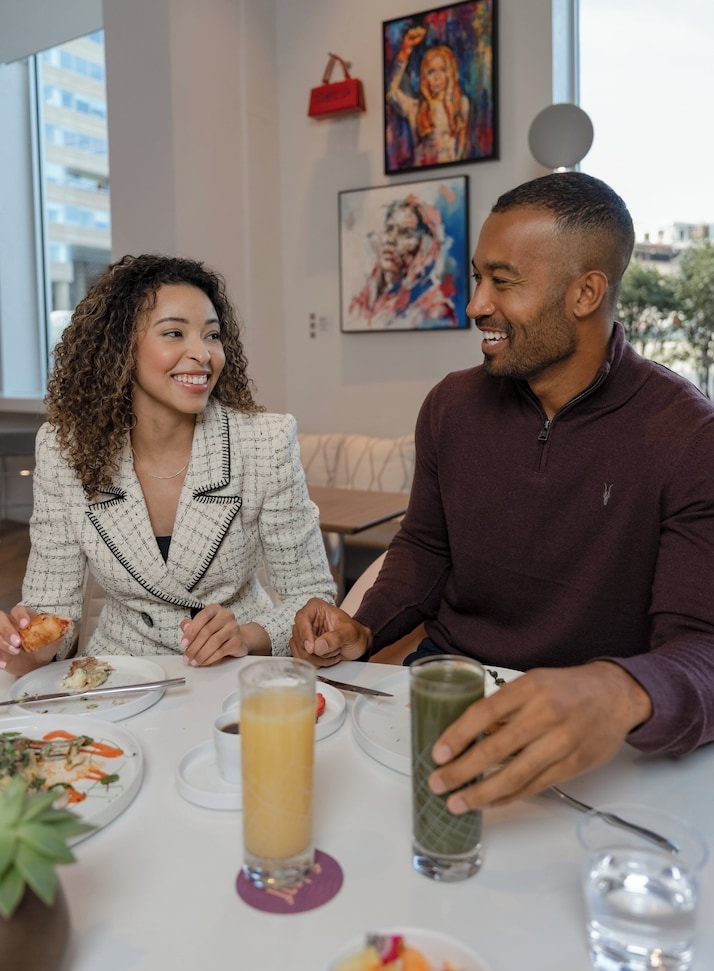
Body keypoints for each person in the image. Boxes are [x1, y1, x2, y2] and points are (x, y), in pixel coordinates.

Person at [292, 172, 714, 814]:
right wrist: (365, 626)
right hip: (443, 694)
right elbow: (425, 549)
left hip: (592, 741)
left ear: (586, 292)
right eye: (476, 278)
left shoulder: (686, 434)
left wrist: (619, 691)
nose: (476, 305)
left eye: (503, 281)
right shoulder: (451, 407)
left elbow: (701, 647)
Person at [0, 254, 336, 676]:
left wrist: (247, 635)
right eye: (174, 333)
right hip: (117, 675)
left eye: (212, 335)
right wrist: (24, 644)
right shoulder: (64, 451)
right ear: (120, 347)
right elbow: (53, 614)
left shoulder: (264, 442)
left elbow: (313, 599)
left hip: (236, 674)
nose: (203, 354)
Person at [348, 195, 457, 329]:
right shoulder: (363, 300)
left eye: (406, 233)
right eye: (389, 229)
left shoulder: (433, 308)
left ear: (424, 246)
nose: (391, 240)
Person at [387, 26, 470, 167]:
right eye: (431, 71)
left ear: (450, 72)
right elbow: (391, 92)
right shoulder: (415, 108)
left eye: (442, 70)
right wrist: (404, 53)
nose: (437, 77)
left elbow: (461, 147)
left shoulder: (461, 103)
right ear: (424, 77)